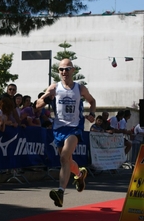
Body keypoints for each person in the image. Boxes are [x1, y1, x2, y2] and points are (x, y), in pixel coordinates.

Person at [36, 58, 96, 208]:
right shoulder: (55, 88)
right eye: (61, 69)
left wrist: (92, 114)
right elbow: (37, 105)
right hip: (58, 129)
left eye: (67, 69)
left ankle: (61, 192)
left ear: (73, 70)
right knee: (68, 160)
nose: (64, 72)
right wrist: (46, 98)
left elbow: (92, 101)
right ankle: (80, 175)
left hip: (74, 128)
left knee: (64, 157)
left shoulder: (80, 88)